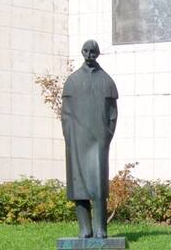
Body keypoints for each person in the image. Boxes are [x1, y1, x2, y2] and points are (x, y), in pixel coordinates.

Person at [61, 40, 119, 239]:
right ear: (82, 52)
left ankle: (101, 228)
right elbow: (66, 114)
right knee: (79, 184)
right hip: (77, 138)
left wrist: (106, 136)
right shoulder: (72, 81)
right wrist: (69, 136)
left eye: (93, 52)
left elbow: (112, 114)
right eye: (86, 51)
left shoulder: (106, 81)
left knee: (98, 184)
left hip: (98, 140)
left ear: (98, 54)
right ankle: (85, 229)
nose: (89, 55)